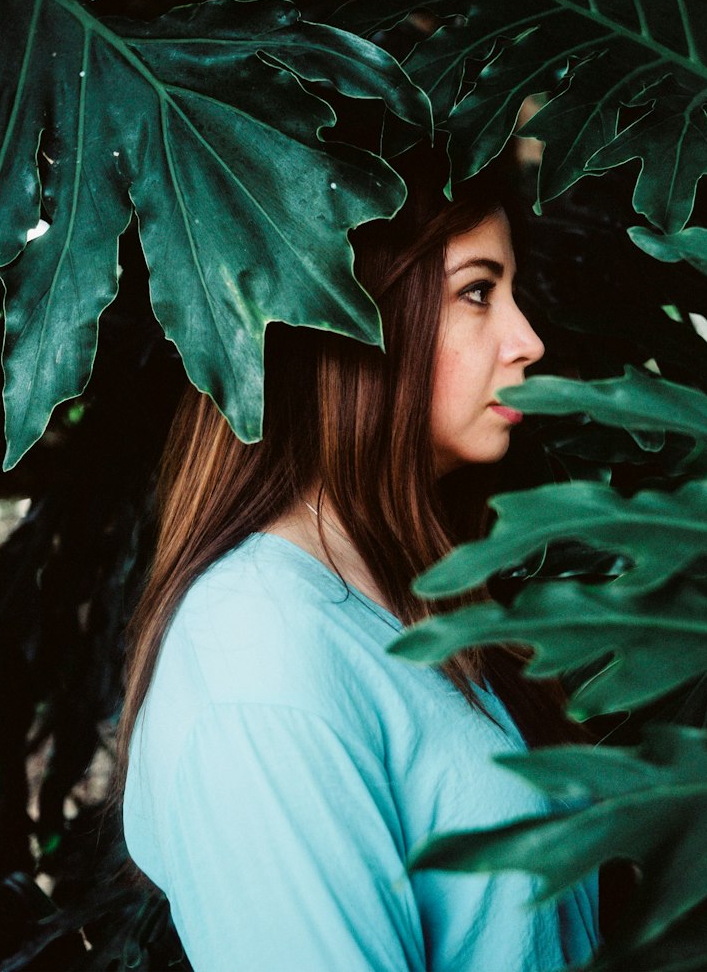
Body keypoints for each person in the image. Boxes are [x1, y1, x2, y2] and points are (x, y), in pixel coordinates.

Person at [118, 153, 600, 971]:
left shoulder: (403, 589)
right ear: (351, 316)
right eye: (479, 292)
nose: (528, 340)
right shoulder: (259, 656)